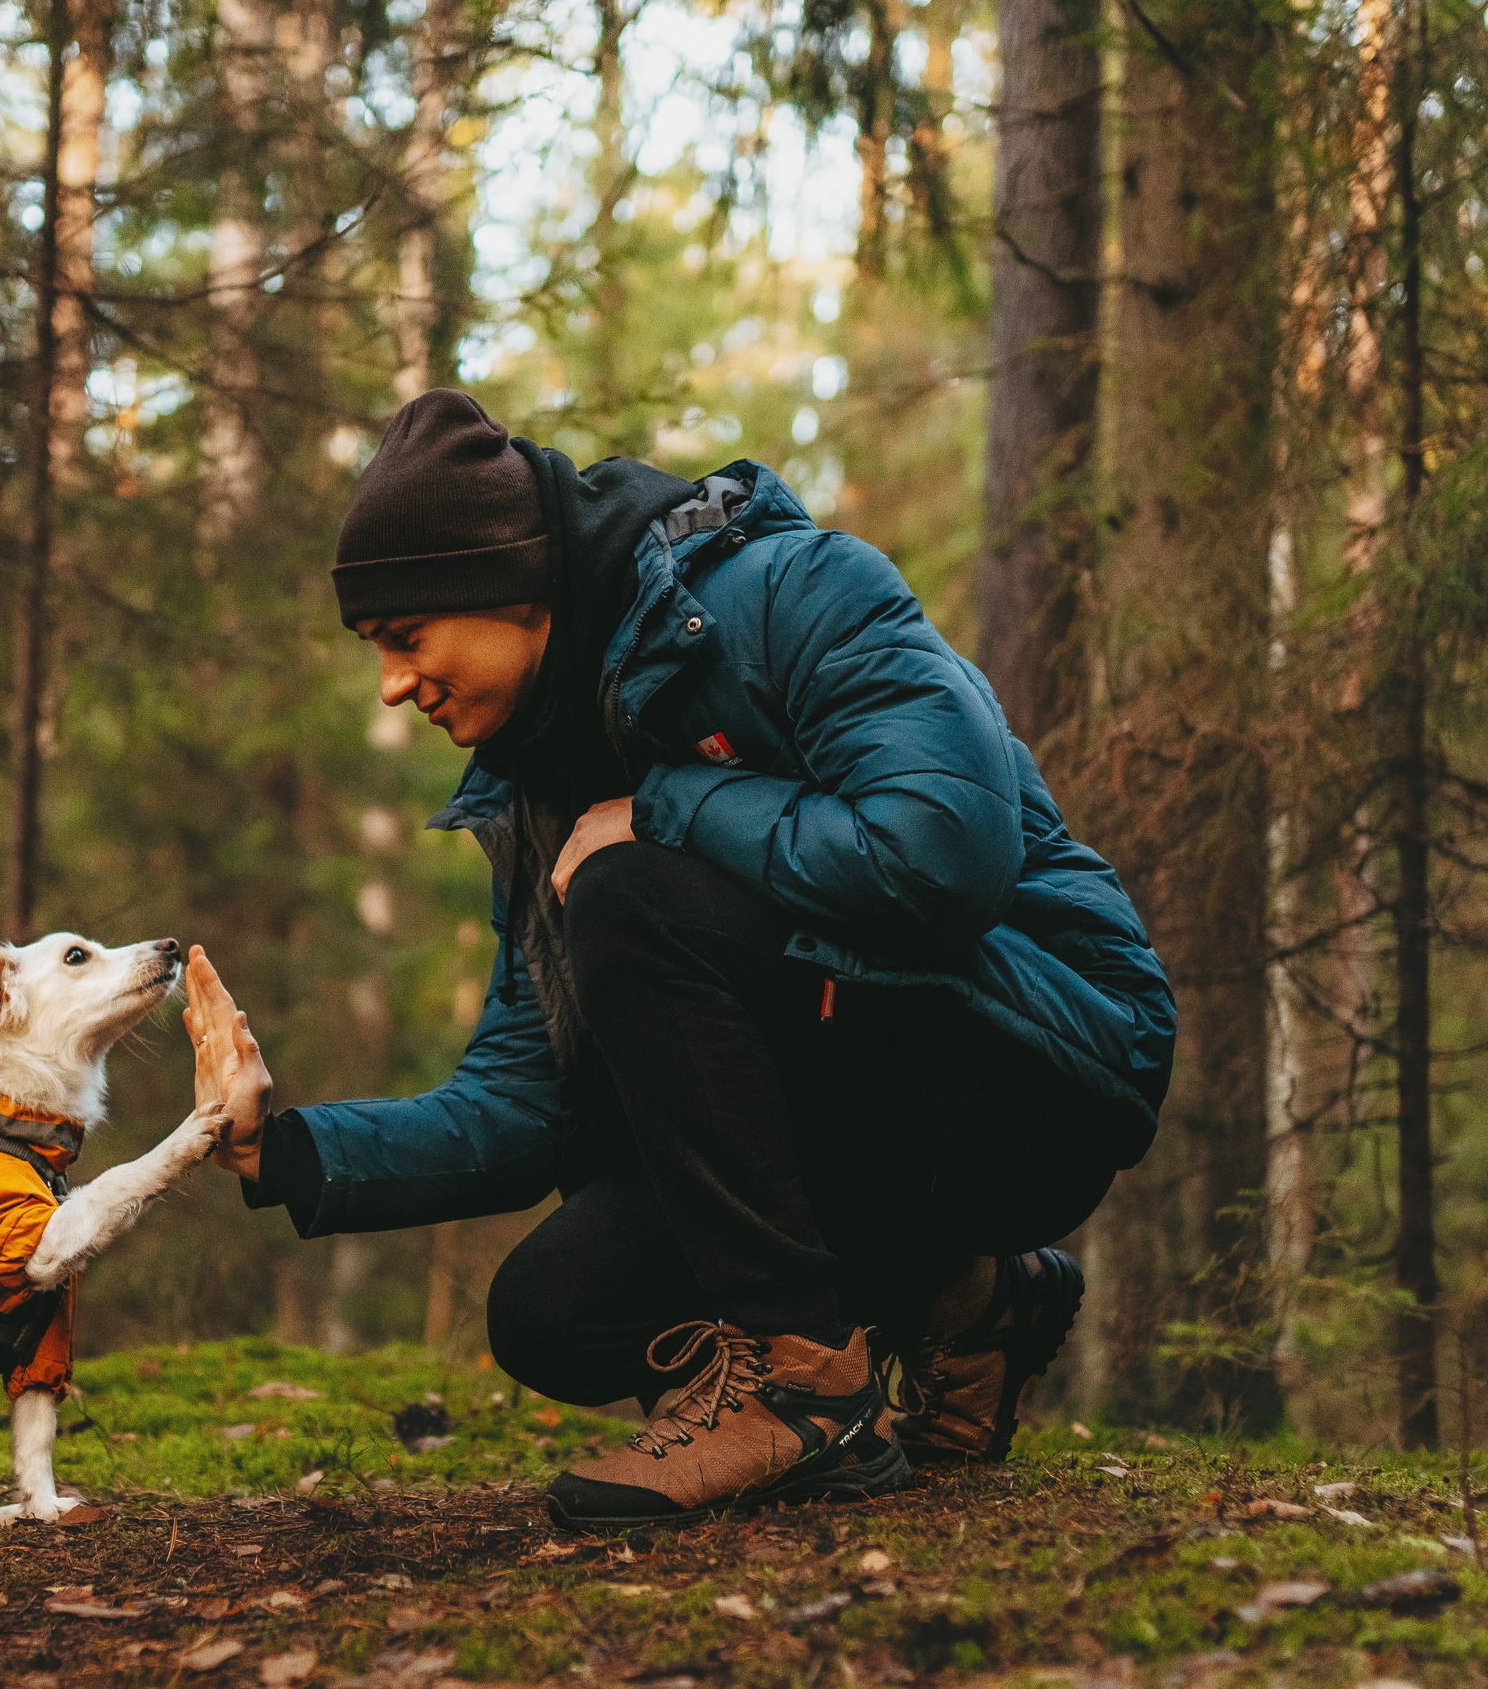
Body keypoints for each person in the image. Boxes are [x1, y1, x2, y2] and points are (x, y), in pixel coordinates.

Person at [179, 389, 1172, 1530]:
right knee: (554, 1311)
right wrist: (280, 1150)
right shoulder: (540, 777)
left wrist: (667, 802)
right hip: (857, 1119)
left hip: (1039, 1071)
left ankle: (806, 1389)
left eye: (404, 638)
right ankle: (973, 1296)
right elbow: (521, 1101)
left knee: (628, 891)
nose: (394, 684)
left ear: (506, 584)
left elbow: (943, 855)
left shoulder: (795, 593)